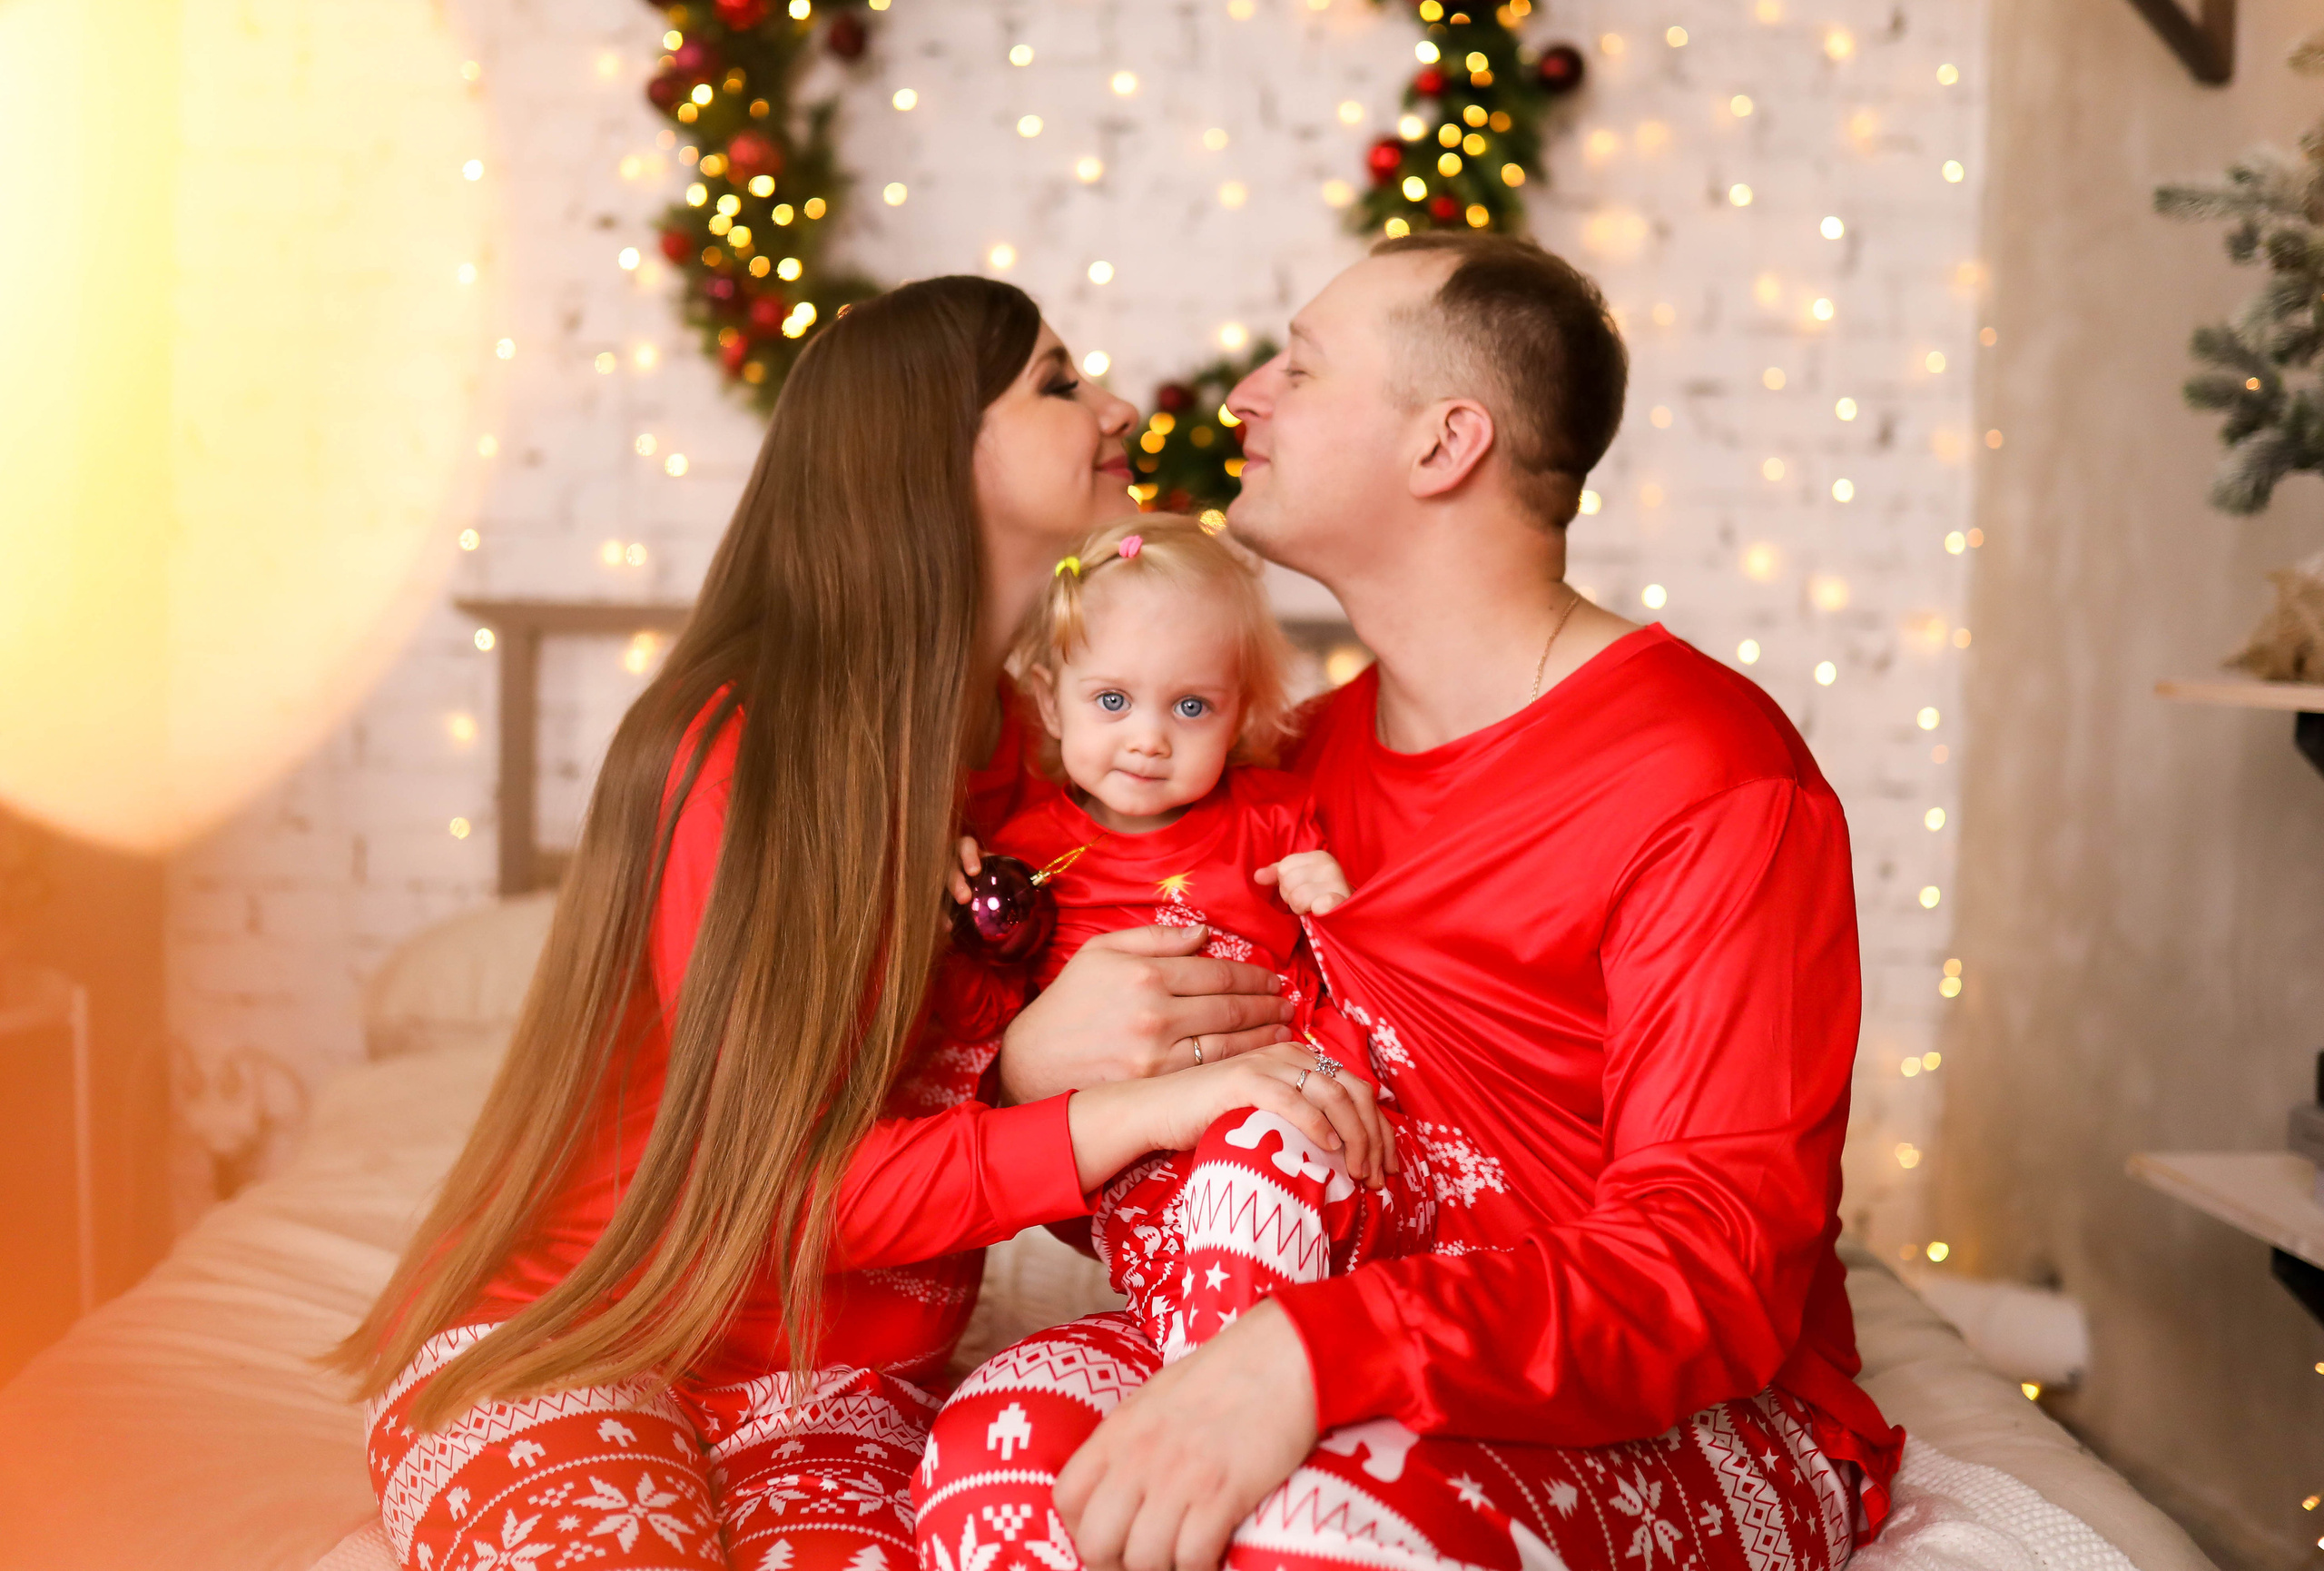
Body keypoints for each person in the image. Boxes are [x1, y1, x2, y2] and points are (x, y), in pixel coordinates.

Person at [331, 277, 1393, 1571]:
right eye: (1060, 383)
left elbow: (969, 1093)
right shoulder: (740, 750)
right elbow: (778, 1185)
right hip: (596, 1330)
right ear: (933, 445)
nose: (1117, 407)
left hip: (847, 1381)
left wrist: (1051, 1070)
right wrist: (1131, 1103)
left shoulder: (1050, 758)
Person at [913, 233, 1903, 1571]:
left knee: (1305, 1526)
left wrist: (1309, 1356)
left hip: (1695, 1416)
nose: (1243, 395)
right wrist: (1038, 1062)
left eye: (1301, 368)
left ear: (1446, 444)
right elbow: (1180, 1184)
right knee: (999, 1461)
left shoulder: (1710, 775)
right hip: (1322, 1315)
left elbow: (1707, 1272)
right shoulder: (1281, 772)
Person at [943, 513, 1433, 1363]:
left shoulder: (1271, 819)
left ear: (1237, 711)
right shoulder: (1019, 857)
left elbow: (1345, 980)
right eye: (1112, 700)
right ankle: (1217, 1360)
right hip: (1124, 1152)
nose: (1148, 737)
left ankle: (1232, 1355)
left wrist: (1330, 897)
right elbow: (978, 1024)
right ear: (1050, 698)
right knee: (1158, 1206)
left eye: (1191, 705)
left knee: (1289, 1150)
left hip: (1281, 1101)